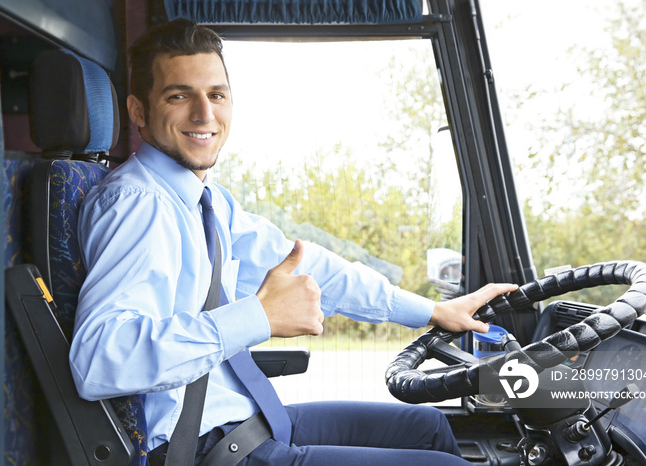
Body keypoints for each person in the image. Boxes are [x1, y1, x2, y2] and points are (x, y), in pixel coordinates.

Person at [69, 18, 518, 465]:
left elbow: (309, 267)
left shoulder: (204, 201)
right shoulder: (138, 205)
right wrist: (256, 317)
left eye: (217, 95)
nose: (205, 114)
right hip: (198, 446)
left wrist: (433, 310)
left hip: (244, 418)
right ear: (139, 112)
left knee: (428, 428)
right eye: (179, 95)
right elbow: (100, 360)